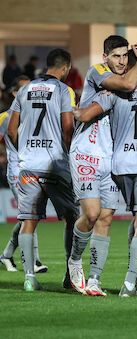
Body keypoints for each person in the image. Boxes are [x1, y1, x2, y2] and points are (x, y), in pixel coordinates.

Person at [67, 35, 137, 296]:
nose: (121, 61)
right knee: (91, 214)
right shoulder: (97, 72)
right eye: (116, 56)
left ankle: (94, 279)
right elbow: (129, 82)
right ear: (105, 58)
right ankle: (75, 260)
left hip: (110, 156)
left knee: (106, 217)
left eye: (125, 56)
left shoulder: (125, 84)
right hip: (86, 152)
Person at [6, 48, 79, 291]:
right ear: (65, 68)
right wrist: (70, 154)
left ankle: (29, 278)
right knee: (72, 218)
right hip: (55, 166)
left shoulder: (25, 89)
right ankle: (70, 275)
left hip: (28, 167)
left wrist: (26, 151)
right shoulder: (62, 90)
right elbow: (68, 127)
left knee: (28, 221)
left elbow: (11, 131)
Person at [0, 75, 49, 273]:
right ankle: (34, 261)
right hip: (17, 171)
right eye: (25, 88)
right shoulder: (6, 116)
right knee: (29, 215)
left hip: (35, 169)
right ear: (14, 93)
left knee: (29, 216)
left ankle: (6, 255)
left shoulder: (35, 113)